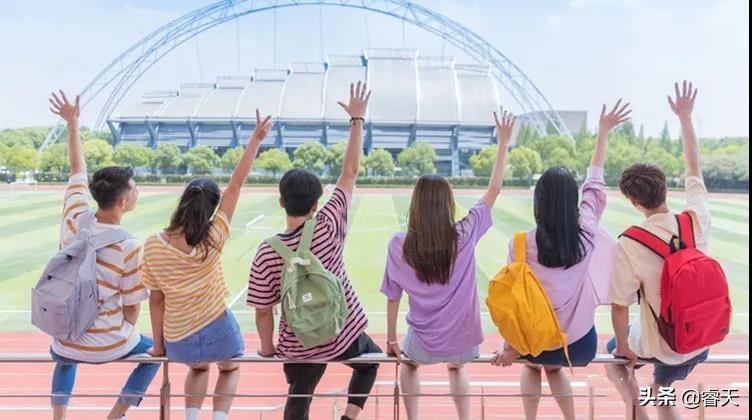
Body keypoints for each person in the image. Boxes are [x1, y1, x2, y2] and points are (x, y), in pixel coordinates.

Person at [490, 100, 632, 420]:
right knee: (553, 369)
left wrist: (511, 347)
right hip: (579, 343)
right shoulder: (587, 233)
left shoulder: (521, 244)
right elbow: (594, 184)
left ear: (538, 202)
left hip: (533, 341)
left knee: (532, 363)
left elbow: (516, 303)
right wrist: (603, 132)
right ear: (572, 200)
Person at [247, 82, 378, 420]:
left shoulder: (266, 252)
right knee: (370, 361)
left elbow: (263, 311)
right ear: (318, 202)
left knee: (300, 392)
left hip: (298, 344)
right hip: (342, 330)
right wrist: (357, 120)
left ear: (280, 202)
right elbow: (350, 172)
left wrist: (267, 348)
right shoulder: (329, 222)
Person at [381, 112, 515, 419]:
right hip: (463, 342)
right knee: (457, 367)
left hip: (421, 342)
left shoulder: (398, 244)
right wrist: (504, 141)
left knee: (409, 364)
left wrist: (391, 340)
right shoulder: (464, 233)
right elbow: (493, 190)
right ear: (447, 204)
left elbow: (392, 295)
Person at [141, 110, 273, 420]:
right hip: (218, 329)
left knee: (197, 368)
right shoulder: (215, 236)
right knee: (230, 369)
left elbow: (156, 299)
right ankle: (219, 417)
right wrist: (256, 139)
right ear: (211, 207)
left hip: (177, 338)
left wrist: (159, 346)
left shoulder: (152, 244)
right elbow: (235, 187)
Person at [47, 91, 160, 420]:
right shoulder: (129, 245)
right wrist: (117, 331)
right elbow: (132, 306)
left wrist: (72, 123)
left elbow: (76, 169)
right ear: (123, 202)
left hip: (66, 336)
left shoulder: (74, 214)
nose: (138, 191)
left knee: (64, 352)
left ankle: (58, 417)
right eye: (135, 188)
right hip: (112, 342)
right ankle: (117, 415)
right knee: (153, 355)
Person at [606, 81, 710, 420]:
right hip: (701, 337)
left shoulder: (631, 242)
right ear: (666, 188)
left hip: (662, 345)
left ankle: (637, 411)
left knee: (613, 360)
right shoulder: (695, 219)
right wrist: (685, 118)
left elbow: (620, 306)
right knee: (662, 389)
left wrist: (622, 347)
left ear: (635, 202)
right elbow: (694, 169)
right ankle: (657, 393)